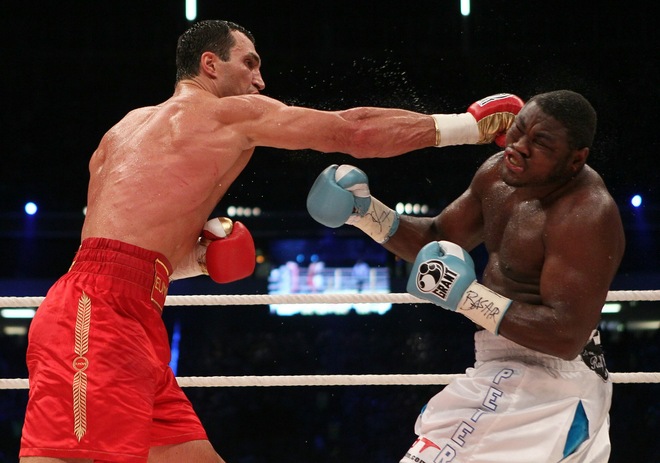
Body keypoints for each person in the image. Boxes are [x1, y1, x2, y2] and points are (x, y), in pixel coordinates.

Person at [19, 19, 523, 463]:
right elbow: (352, 131)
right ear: (210, 64)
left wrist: (199, 260)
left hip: (130, 313)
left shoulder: (122, 130)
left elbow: (125, 245)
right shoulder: (226, 115)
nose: (260, 80)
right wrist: (467, 128)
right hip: (96, 316)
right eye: (249, 63)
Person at [307, 90, 625, 462]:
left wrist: (466, 297)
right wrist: (364, 212)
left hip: (545, 382)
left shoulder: (585, 213)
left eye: (540, 143)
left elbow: (566, 336)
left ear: (576, 160)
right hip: (515, 373)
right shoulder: (498, 175)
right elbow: (438, 238)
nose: (519, 147)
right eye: (519, 130)